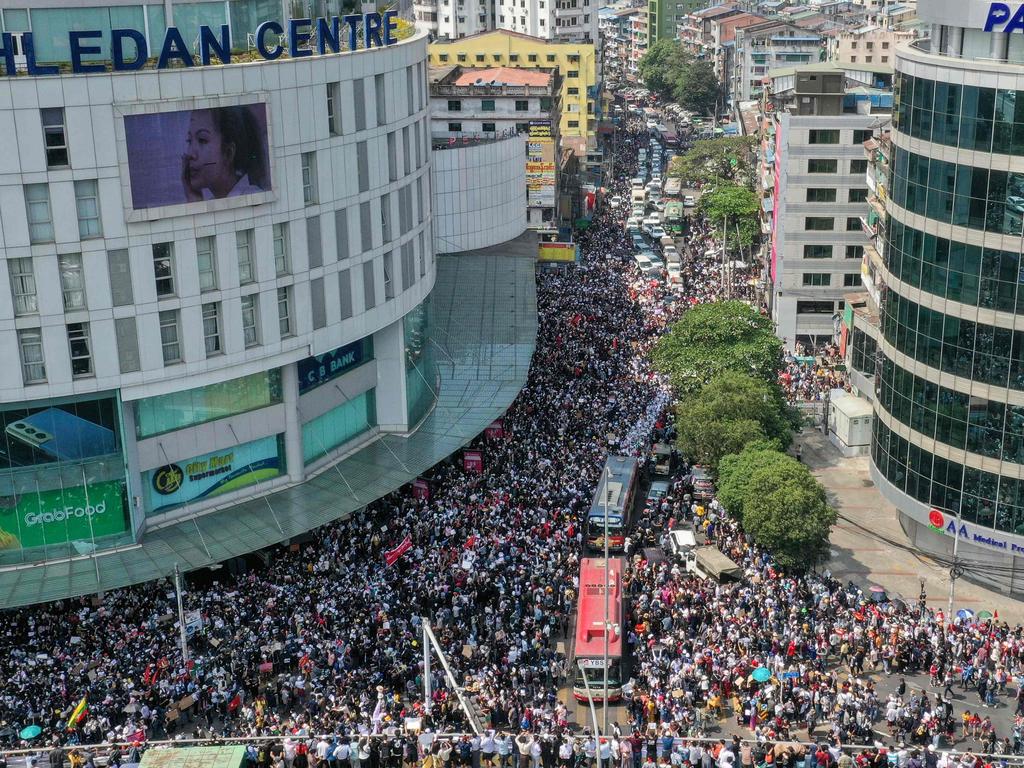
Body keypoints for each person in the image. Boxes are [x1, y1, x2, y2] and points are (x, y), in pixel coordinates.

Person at [181, 105, 267, 202]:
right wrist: (194, 199)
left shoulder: (254, 198)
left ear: (228, 153)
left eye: (202, 140)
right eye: (189, 141)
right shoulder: (212, 201)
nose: (189, 154)